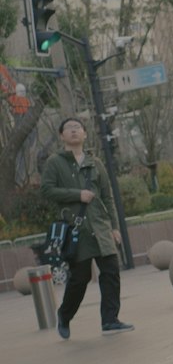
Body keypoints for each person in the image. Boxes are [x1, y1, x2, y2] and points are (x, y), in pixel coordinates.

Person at [41, 117, 133, 338]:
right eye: (68, 129)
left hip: (100, 226)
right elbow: (47, 190)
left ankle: (110, 321)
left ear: (84, 134)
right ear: (62, 136)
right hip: (76, 229)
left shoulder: (96, 163)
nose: (73, 131)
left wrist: (114, 227)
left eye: (77, 128)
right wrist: (77, 195)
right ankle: (64, 315)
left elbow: (108, 197)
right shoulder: (55, 162)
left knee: (111, 271)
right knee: (79, 280)